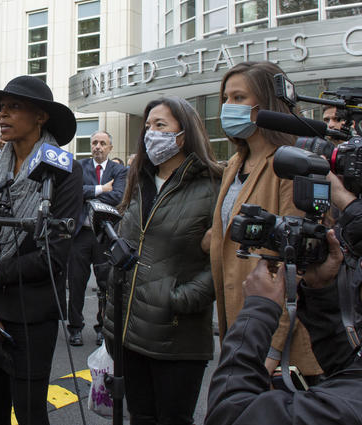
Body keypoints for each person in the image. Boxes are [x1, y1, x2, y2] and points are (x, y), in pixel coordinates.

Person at [0, 75, 83, 425]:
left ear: (41, 116)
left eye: (15, 107)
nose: (4, 114)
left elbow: (55, 256)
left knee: (30, 413)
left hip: (32, 314)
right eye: (1, 108)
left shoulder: (65, 171)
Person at [102, 96, 222, 425]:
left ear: (184, 134)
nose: (151, 133)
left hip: (176, 337)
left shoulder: (213, 187)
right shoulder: (138, 182)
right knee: (139, 416)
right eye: (148, 126)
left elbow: (223, 261)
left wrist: (180, 299)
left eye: (161, 125)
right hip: (128, 333)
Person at [209, 61, 323, 381]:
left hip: (277, 343)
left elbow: (293, 267)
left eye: (239, 97)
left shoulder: (292, 163)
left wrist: (270, 352)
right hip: (238, 324)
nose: (228, 106)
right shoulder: (235, 162)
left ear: (267, 105)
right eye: (225, 98)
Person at [205, 226, 362, 425]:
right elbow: (349, 370)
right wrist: (321, 292)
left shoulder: (344, 409)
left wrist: (258, 311)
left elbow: (231, 415)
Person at [67, 130, 127, 346]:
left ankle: (103, 327)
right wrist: (102, 188)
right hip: (80, 235)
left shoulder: (119, 170)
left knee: (105, 284)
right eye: (94, 143)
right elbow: (73, 193)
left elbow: (118, 196)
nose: (97, 147)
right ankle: (75, 327)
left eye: (102, 143)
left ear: (110, 147)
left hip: (104, 235)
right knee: (76, 283)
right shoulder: (79, 167)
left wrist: (88, 193)